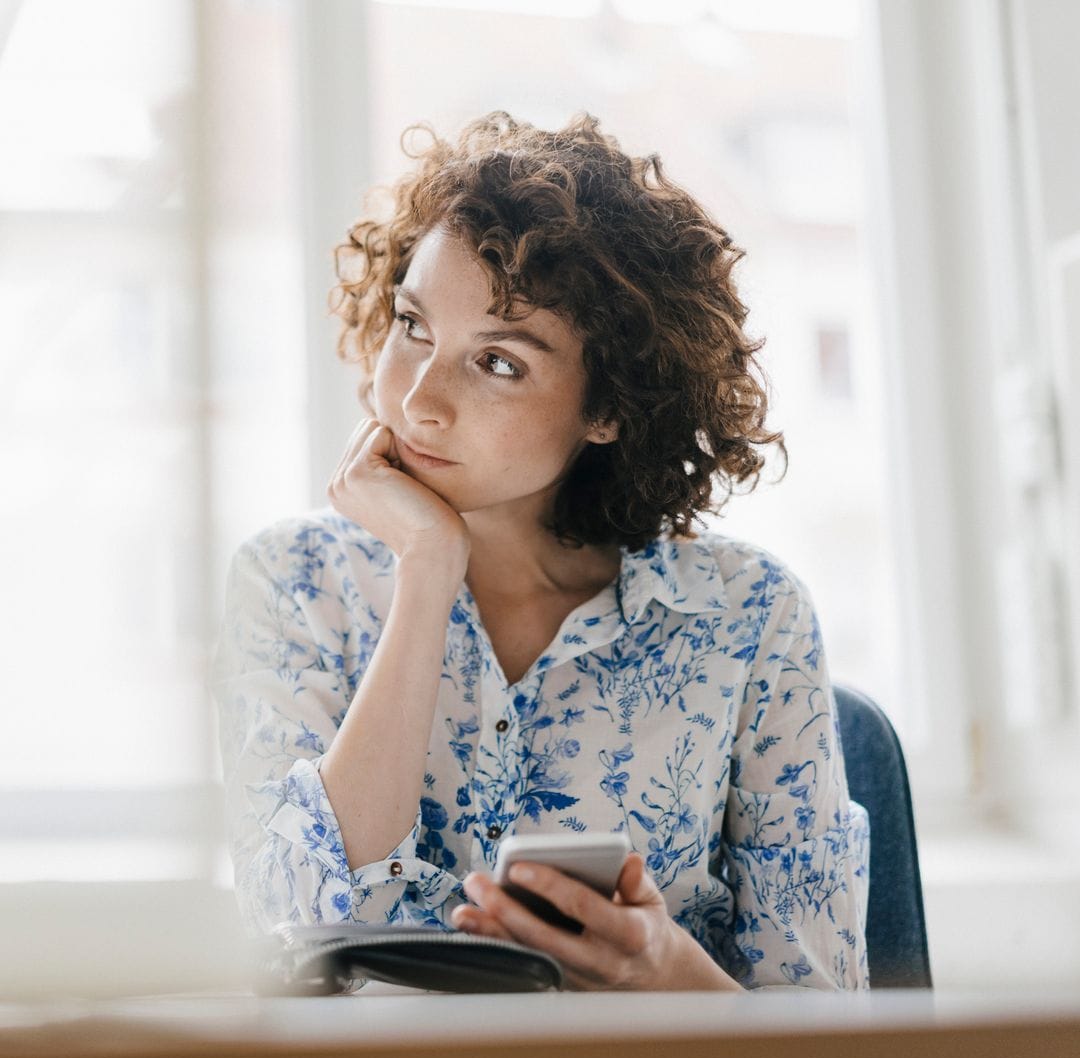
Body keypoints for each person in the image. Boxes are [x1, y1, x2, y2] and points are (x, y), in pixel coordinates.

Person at [211, 110, 870, 992]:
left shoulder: (751, 619)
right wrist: (426, 570)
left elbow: (827, 1031)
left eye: (500, 363)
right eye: (413, 325)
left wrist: (668, 973)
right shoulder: (291, 586)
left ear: (608, 407)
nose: (418, 401)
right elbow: (302, 935)